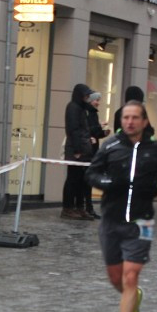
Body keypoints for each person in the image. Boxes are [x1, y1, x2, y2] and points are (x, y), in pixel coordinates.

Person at [86, 101, 157, 312]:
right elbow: (91, 173)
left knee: (131, 275)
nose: (130, 122)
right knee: (116, 278)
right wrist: (107, 182)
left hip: (141, 221)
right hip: (111, 219)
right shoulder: (110, 145)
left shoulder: (155, 149)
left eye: (135, 117)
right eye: (126, 117)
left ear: (144, 121)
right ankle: (134, 297)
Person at [62, 83, 95, 220]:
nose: (87, 97)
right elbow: (73, 130)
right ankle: (68, 208)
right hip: (77, 150)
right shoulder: (73, 108)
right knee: (73, 179)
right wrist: (77, 149)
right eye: (86, 95)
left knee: (82, 180)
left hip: (83, 149)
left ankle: (80, 207)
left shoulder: (80, 108)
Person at [83, 91, 108, 219]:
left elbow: (94, 132)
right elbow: (90, 129)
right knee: (85, 180)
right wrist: (100, 127)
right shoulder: (89, 113)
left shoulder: (92, 112)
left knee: (88, 180)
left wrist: (102, 133)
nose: (98, 102)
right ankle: (86, 207)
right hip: (89, 150)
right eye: (96, 100)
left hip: (92, 149)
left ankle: (88, 207)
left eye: (99, 100)